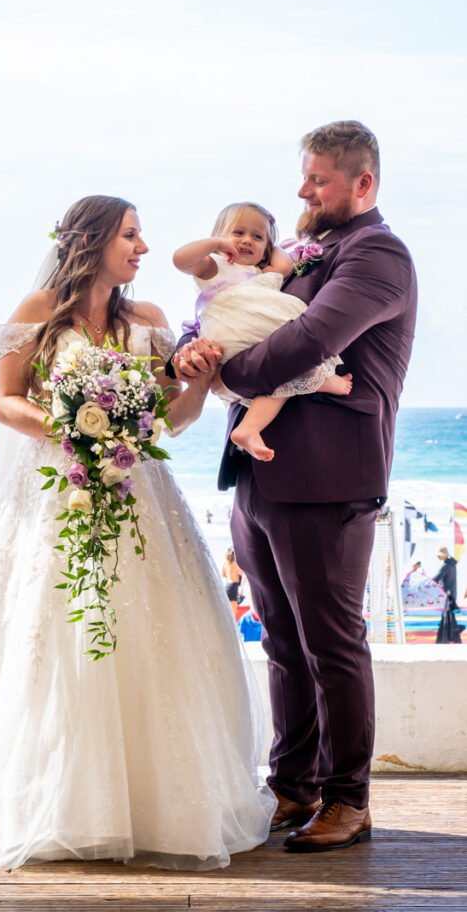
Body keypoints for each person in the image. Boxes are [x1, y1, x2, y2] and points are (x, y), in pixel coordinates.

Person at [0, 194, 275, 871]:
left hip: (140, 498)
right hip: (54, 495)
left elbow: (174, 421)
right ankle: (52, 801)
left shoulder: (150, 321)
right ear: (93, 240)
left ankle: (154, 804)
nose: (143, 248)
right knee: (57, 639)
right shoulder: (37, 314)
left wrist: (199, 378)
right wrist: (72, 429)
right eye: (130, 235)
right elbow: (5, 401)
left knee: (149, 636)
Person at [173, 121, 417, 852]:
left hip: (326, 475)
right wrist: (196, 347)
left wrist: (225, 373)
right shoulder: (304, 252)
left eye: (316, 180)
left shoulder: (376, 254)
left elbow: (307, 343)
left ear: (361, 184)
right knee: (281, 641)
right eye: (302, 177)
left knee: (331, 646)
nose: (302, 192)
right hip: (260, 469)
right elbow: (239, 309)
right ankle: (292, 786)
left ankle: (348, 801)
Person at [173, 203, 353, 461]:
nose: (247, 241)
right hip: (235, 324)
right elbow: (180, 259)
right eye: (238, 233)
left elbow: (285, 266)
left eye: (257, 237)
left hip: (252, 333)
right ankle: (321, 379)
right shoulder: (213, 265)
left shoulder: (261, 272)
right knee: (293, 356)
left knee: (280, 375)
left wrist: (272, 244)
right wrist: (216, 244)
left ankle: (249, 427)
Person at [434, 547, 463, 644]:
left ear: (445, 555)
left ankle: (449, 636)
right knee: (450, 616)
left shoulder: (446, 565)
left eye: (439, 555)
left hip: (446, 594)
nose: (437, 557)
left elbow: (436, 578)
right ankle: (452, 635)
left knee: (447, 616)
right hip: (452, 593)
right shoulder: (452, 564)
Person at [220, 547, 244, 618]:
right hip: (234, 587)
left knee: (227, 608)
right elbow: (243, 574)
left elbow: (223, 575)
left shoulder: (224, 564)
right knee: (234, 610)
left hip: (227, 586)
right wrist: (242, 588)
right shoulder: (236, 564)